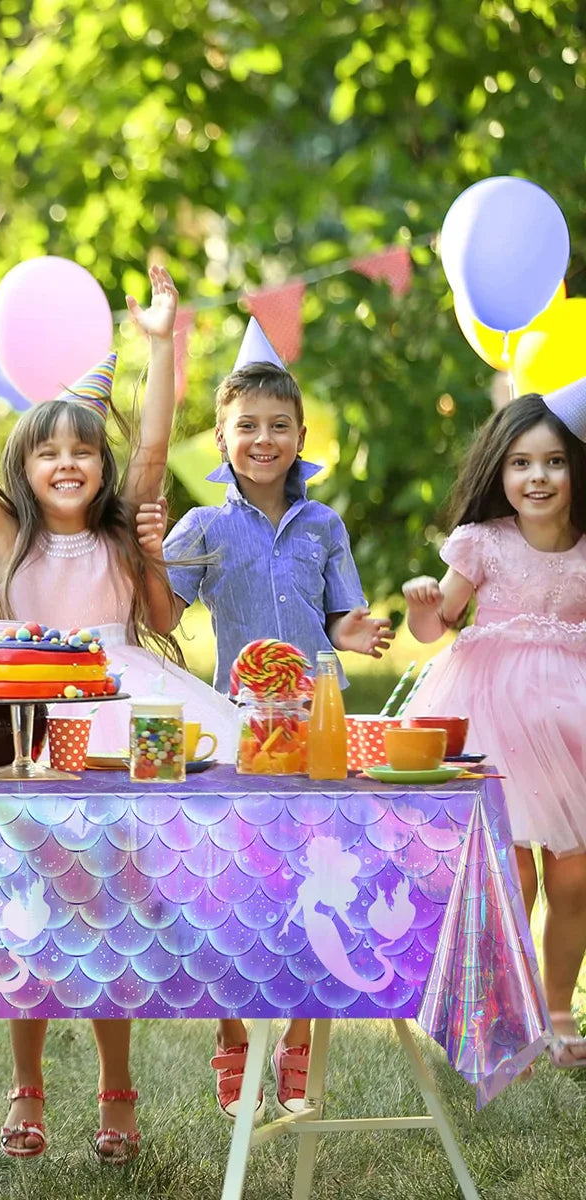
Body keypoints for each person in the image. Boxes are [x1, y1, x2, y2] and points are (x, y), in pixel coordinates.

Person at [0, 266, 234, 1164]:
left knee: (102, 910)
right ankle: (25, 1085)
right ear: (23, 468)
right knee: (24, 906)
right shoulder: (7, 539)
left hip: (116, 704)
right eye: (47, 451)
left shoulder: (116, 537)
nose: (67, 462)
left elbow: (156, 438)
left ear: (102, 471)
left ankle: (117, 1089)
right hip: (21, 719)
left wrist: (160, 344)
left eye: (84, 453)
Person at [151, 320, 393, 1122]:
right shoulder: (202, 528)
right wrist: (150, 555)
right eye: (247, 425)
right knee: (236, 893)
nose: (263, 438)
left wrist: (356, 631)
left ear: (300, 437)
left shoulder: (324, 525)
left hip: (318, 727)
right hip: (241, 732)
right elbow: (161, 613)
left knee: (315, 885)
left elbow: (343, 615)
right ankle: (233, 1042)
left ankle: (295, 1046)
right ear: (222, 436)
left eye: (278, 425)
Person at [402, 385, 586, 1068]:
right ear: (498, 472)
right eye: (520, 463)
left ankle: (560, 1007)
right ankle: (507, 1017)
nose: (536, 477)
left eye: (554, 463)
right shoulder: (482, 542)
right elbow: (434, 628)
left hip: (573, 729)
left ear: (576, 470)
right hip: (497, 718)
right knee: (515, 878)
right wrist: (425, 604)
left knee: (573, 880)